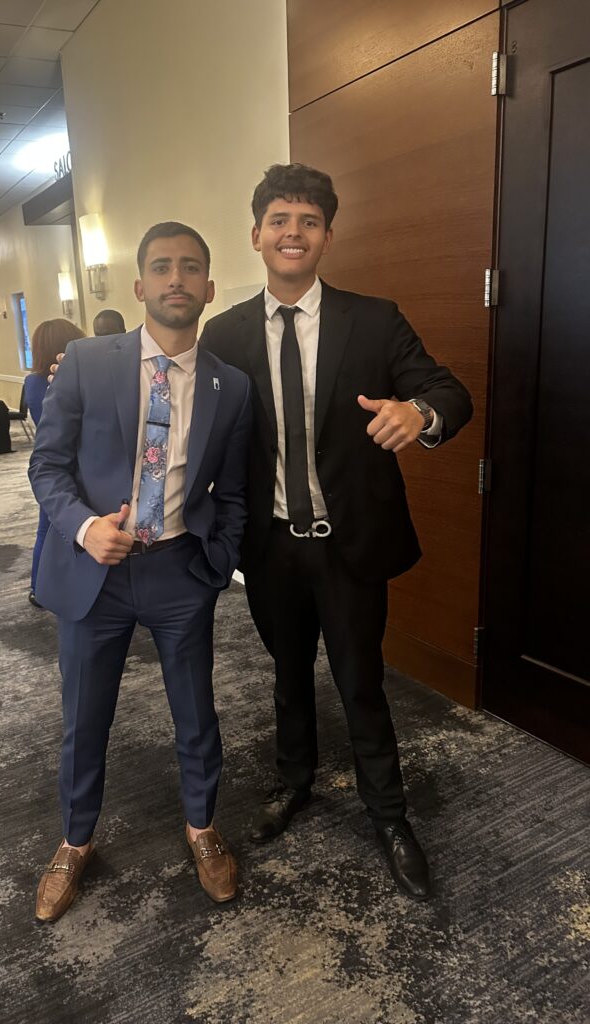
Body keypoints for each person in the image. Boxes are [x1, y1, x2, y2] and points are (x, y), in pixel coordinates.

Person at [199, 163, 473, 902]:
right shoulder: (223, 334)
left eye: (309, 222)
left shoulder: (374, 320)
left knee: (361, 681)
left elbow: (448, 390)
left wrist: (420, 414)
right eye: (280, 220)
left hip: (348, 545)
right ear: (256, 235)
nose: (293, 233)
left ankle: (389, 816)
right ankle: (294, 782)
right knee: (288, 675)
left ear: (327, 237)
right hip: (269, 547)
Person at [28, 222, 252, 922]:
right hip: (95, 571)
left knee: (196, 712)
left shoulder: (231, 386)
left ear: (209, 288)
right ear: (139, 285)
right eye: (161, 267)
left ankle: (202, 827)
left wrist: (217, 565)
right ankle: (75, 840)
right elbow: (47, 466)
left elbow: (234, 492)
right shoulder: (89, 362)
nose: (175, 278)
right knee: (84, 716)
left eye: (190, 267)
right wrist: (85, 527)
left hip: (180, 571)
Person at [24, 318, 86, 606]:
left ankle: (38, 586)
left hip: (47, 459)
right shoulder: (66, 381)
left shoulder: (32, 382)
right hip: (73, 460)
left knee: (46, 526)